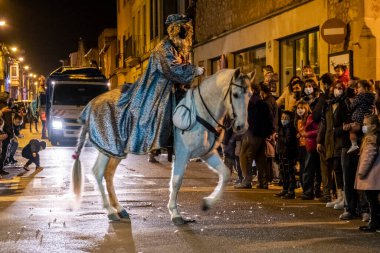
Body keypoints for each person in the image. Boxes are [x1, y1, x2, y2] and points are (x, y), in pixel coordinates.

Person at [234, 84, 274, 189]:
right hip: (261, 134)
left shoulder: (250, 102)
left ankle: (246, 181)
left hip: (251, 133)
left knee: (245, 156)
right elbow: (270, 119)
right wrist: (269, 132)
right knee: (260, 158)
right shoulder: (263, 103)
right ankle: (263, 182)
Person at [317, 82, 348, 208]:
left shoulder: (345, 104)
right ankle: (339, 197)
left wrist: (337, 131)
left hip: (341, 141)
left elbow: (346, 123)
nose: (338, 90)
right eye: (336, 88)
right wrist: (319, 140)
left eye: (340, 88)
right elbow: (324, 124)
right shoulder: (329, 104)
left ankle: (345, 198)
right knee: (336, 168)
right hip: (330, 141)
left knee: (340, 168)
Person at [354, 114, 380, 232]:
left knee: (372, 200)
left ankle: (374, 223)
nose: (363, 127)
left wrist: (361, 172)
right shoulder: (374, 138)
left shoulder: (371, 139)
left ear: (373, 126)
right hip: (374, 176)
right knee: (373, 200)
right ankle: (374, 222)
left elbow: (368, 157)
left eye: (365, 124)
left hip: (371, 176)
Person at [346, 80, 375, 154]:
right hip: (367, 120)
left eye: (359, 87)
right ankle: (364, 148)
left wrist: (350, 101)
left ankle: (354, 145)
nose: (357, 89)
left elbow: (351, 107)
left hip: (358, 119)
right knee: (365, 135)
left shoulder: (360, 96)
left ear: (365, 88)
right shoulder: (373, 96)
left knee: (351, 130)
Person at [274, 110, 298, 199]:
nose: (283, 120)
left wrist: (279, 136)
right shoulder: (282, 128)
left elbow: (287, 141)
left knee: (289, 172)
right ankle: (285, 189)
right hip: (282, 152)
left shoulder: (290, 128)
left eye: (286, 118)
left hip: (288, 153)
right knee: (283, 172)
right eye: (282, 118)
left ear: (290, 119)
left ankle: (291, 191)